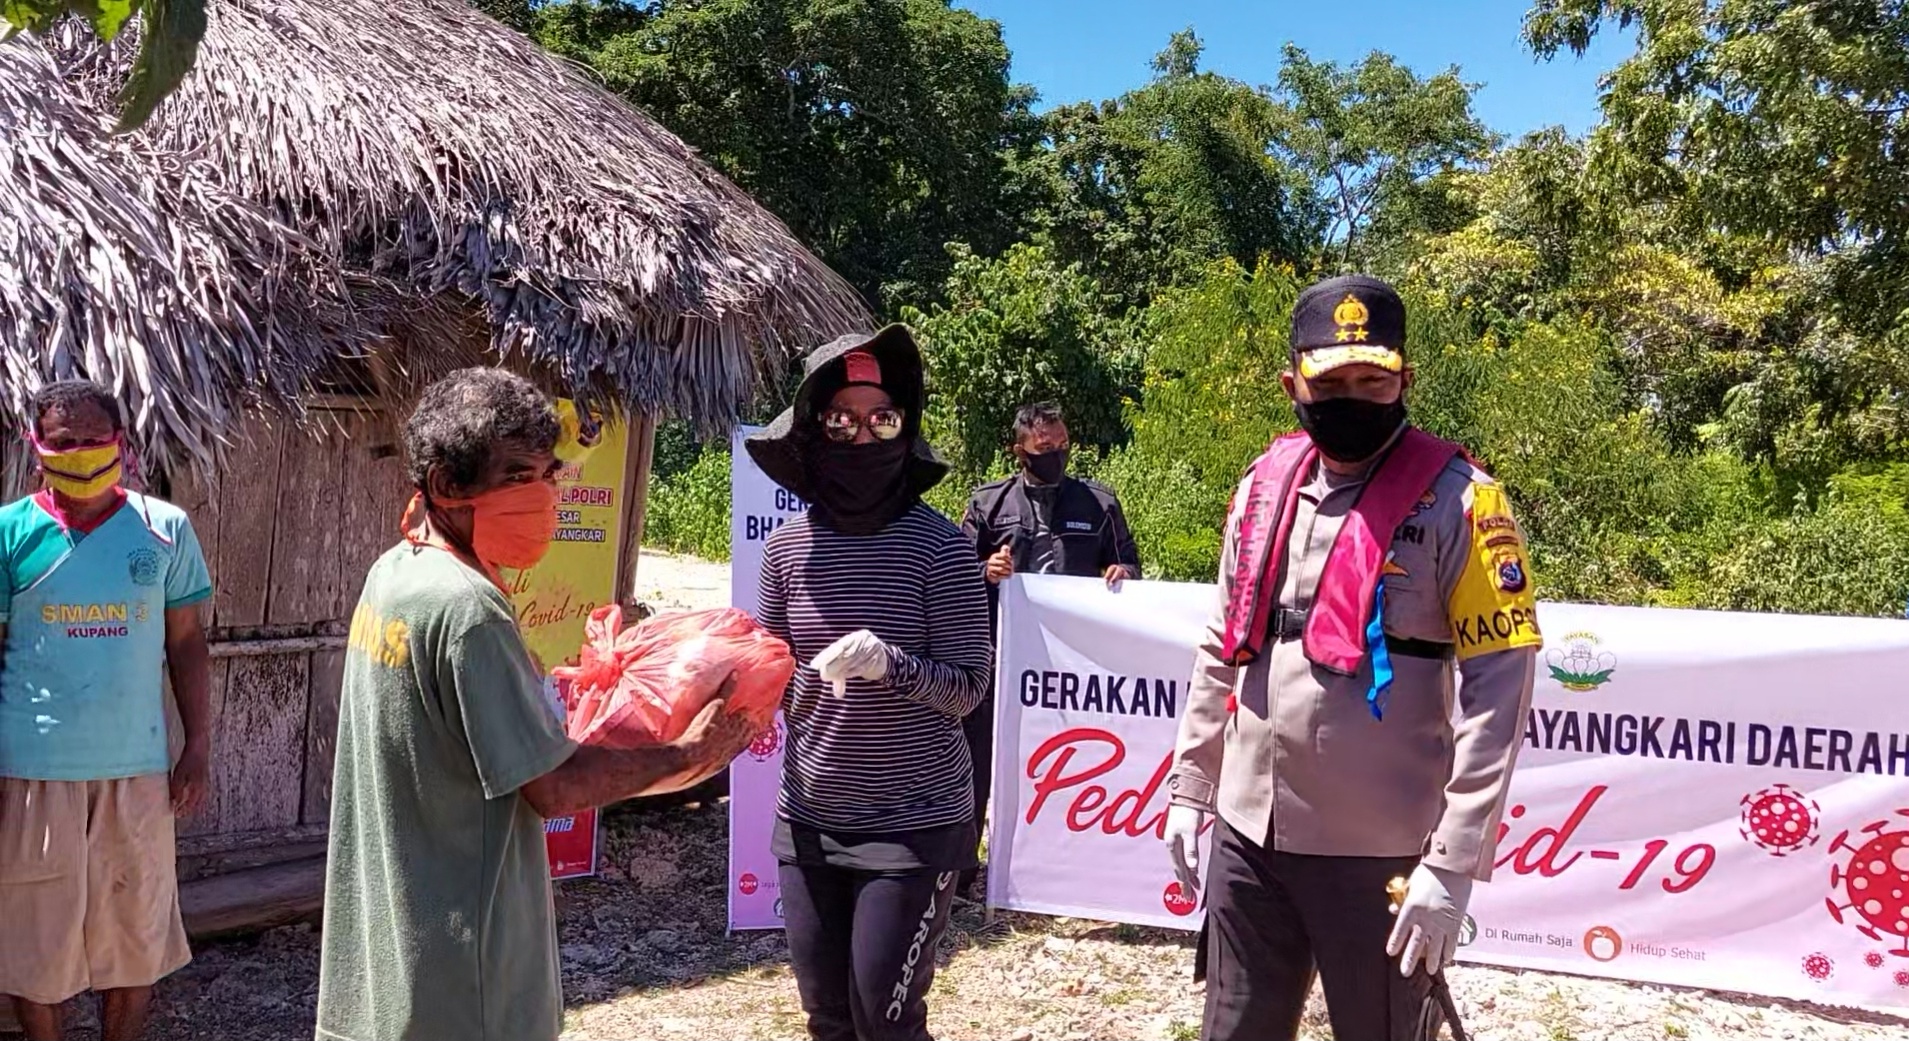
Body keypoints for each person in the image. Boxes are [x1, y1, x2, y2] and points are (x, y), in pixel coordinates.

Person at [314, 368, 759, 1041]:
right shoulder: (467, 609)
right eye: (518, 476)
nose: (545, 495)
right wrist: (691, 753)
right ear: (445, 484)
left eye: (549, 473)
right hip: (467, 980)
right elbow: (553, 787)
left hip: (392, 965)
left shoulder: (395, 572)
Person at [1163, 275, 1541, 1041]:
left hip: (1380, 848)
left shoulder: (1461, 501)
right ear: (1291, 383)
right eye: (1330, 381)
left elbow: (1499, 685)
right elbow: (1223, 642)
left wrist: (1454, 857)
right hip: (1249, 831)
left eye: (1372, 380)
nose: (1352, 397)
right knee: (1231, 1029)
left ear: (1404, 378)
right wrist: (1191, 783)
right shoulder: (1263, 488)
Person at [745, 326, 992, 1041]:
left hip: (914, 824)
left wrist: (893, 663)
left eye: (881, 419)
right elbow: (768, 669)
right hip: (810, 818)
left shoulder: (941, 546)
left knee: (883, 1017)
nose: (862, 435)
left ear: (905, 428)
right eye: (842, 421)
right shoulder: (787, 548)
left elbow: (968, 686)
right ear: (814, 431)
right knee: (827, 1019)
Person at [0, 379, 214, 1041]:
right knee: (37, 939)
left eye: (95, 439)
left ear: (121, 444)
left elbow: (186, 641)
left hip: (137, 767)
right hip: (32, 767)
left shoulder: (164, 529)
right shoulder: (10, 532)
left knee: (135, 930)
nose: (81, 452)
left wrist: (197, 745)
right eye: (64, 442)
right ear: (39, 450)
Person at [956, 401, 1141, 896]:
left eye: (1062, 446)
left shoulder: (1098, 504)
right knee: (979, 763)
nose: (1055, 455)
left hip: (1071, 670)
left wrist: (1121, 575)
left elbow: (1132, 567)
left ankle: (1064, 872)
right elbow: (951, 578)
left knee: (1075, 761)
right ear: (1020, 451)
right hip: (998, 658)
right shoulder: (988, 505)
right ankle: (963, 871)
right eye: (1044, 449)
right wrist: (985, 572)